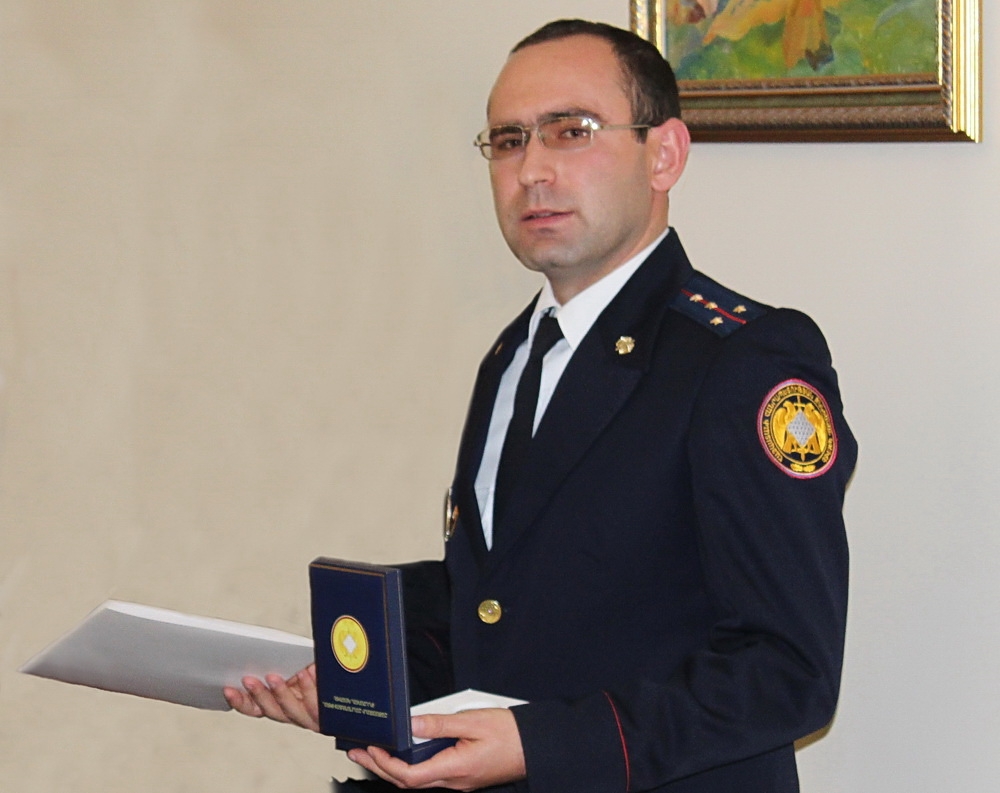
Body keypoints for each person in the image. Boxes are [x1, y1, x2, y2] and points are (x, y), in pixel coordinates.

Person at [224, 19, 857, 793]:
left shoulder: (741, 360)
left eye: (571, 131)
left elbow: (786, 669)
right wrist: (359, 674)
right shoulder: (515, 354)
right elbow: (507, 605)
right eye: (509, 140)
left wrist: (538, 742)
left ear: (663, 154)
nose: (532, 170)